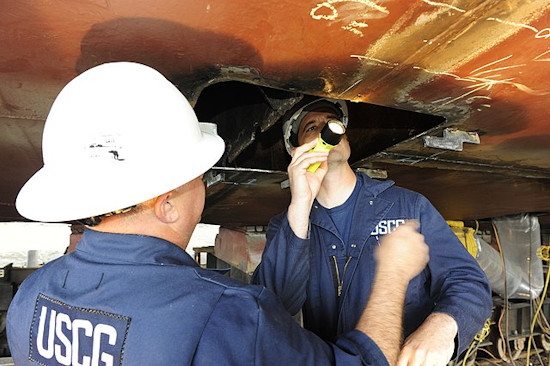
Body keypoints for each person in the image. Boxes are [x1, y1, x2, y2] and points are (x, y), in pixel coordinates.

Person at [7, 62, 430, 365]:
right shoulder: (223, 313)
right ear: (167, 203)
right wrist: (393, 275)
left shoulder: (32, 296)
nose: (206, 184)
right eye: (198, 175)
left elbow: (272, 313)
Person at [252, 96, 493, 366]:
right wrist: (300, 204)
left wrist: (444, 325)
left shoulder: (408, 206)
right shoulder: (287, 224)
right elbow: (272, 306)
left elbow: (467, 280)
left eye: (332, 122)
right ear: (296, 151)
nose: (325, 130)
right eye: (311, 127)